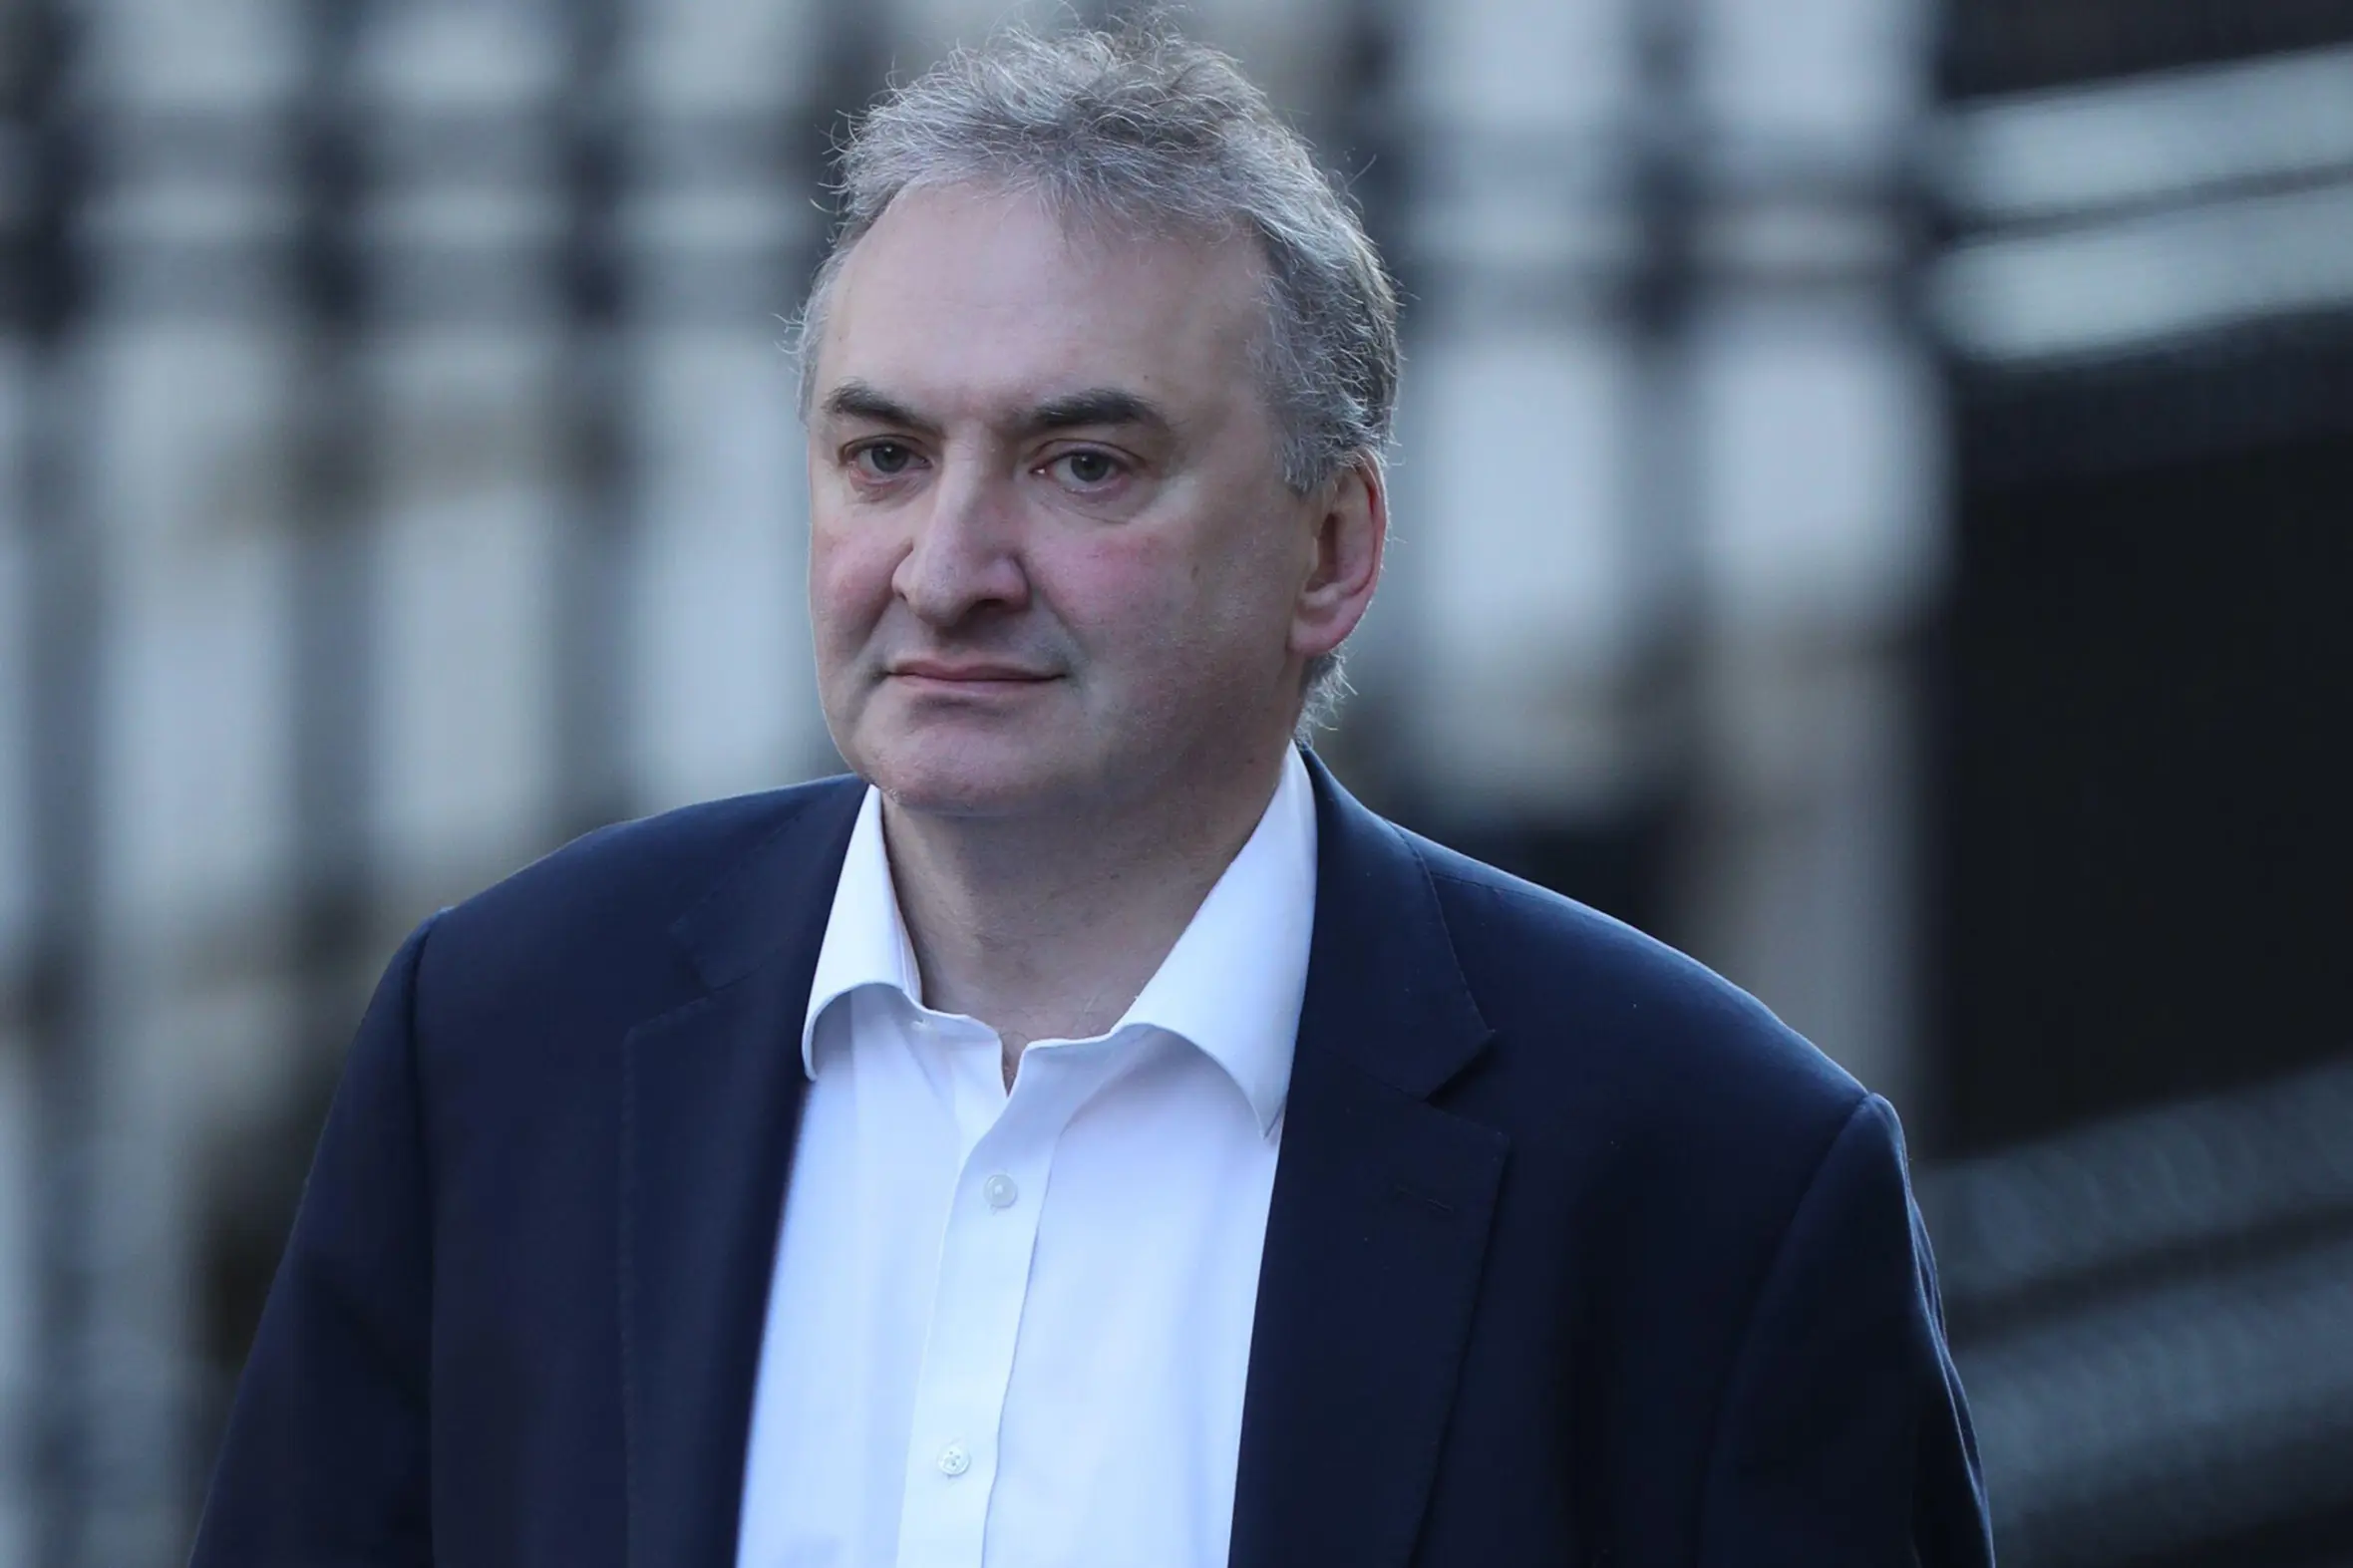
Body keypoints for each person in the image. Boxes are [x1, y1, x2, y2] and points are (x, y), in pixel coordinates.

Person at [192, 22, 1993, 1568]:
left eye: (1083, 463)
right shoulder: (502, 1039)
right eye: (884, 455)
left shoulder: (1712, 1182)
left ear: (1334, 545)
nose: (949, 564)